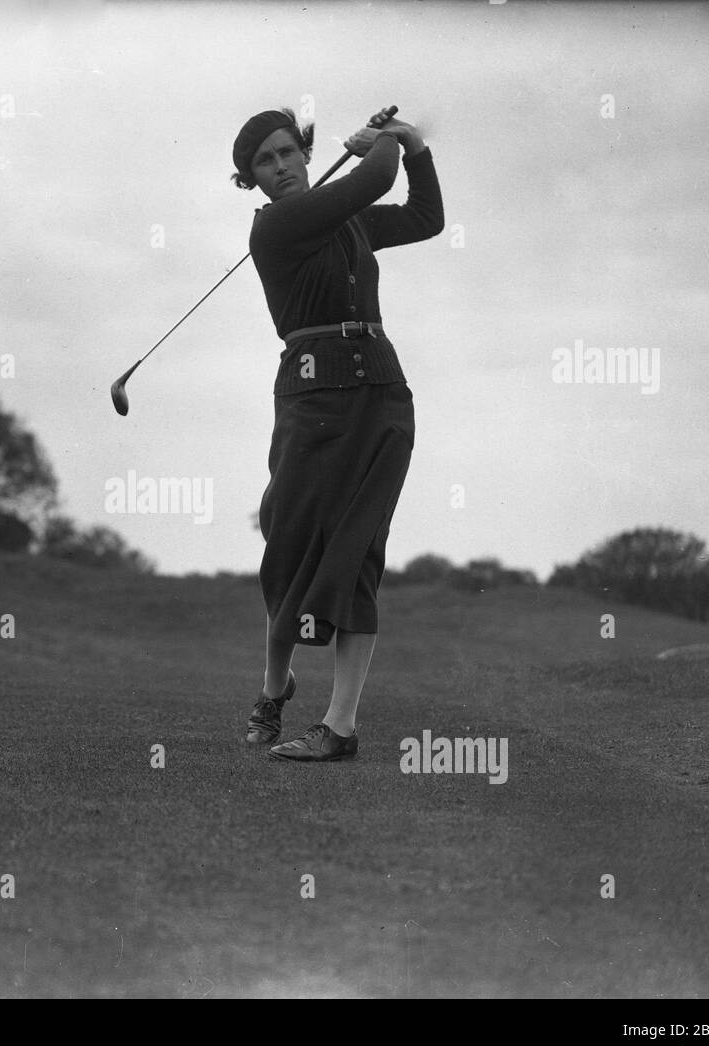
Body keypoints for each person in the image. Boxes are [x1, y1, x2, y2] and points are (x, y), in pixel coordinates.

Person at [233, 105, 443, 762]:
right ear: (255, 181)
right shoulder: (276, 226)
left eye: (287, 151)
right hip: (312, 395)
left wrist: (415, 148)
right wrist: (386, 141)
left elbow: (425, 218)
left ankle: (340, 726)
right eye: (264, 162)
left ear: (304, 151)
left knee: (358, 553)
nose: (281, 167)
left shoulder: (345, 219)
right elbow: (375, 178)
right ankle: (275, 688)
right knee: (289, 548)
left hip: (380, 391)